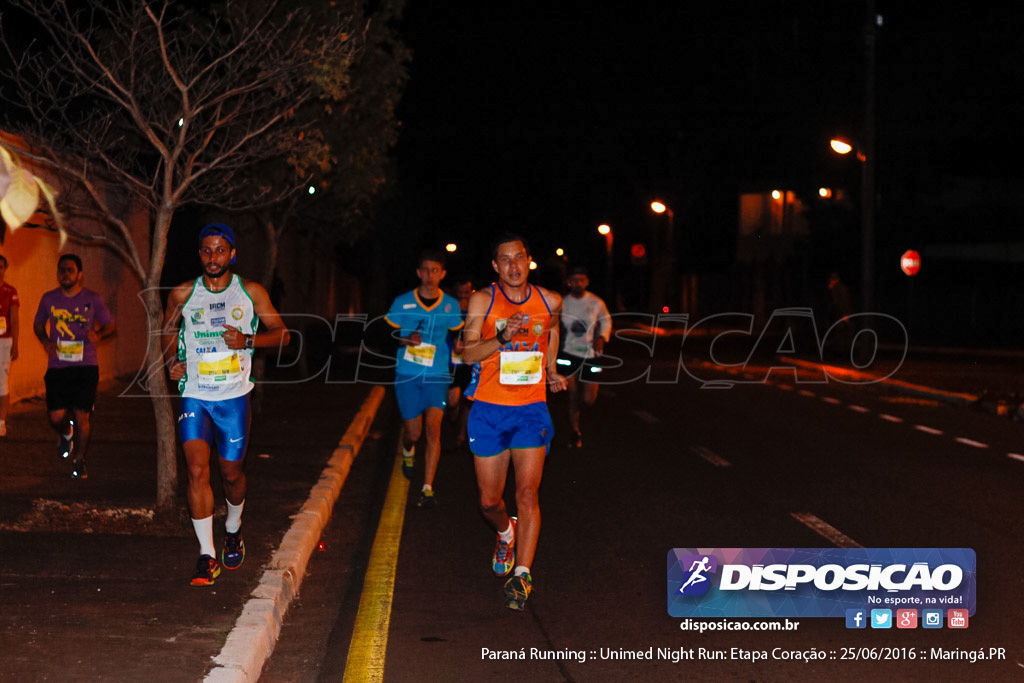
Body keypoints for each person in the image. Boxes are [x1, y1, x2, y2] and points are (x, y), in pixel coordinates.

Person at [163, 224, 290, 587]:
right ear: (199, 253)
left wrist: (247, 339)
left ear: (232, 254)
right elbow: (168, 331)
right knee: (197, 472)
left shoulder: (249, 292)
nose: (213, 257)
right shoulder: (183, 294)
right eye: (206, 250)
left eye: (220, 251)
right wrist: (172, 361)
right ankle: (207, 556)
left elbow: (283, 334)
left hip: (233, 398)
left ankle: (233, 528)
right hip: (196, 395)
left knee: (230, 474)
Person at [462, 233, 567, 611]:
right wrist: (502, 336)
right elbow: (467, 352)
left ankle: (522, 575)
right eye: (505, 260)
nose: (513, 266)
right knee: (490, 501)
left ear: (529, 260)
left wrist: (551, 369)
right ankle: (506, 532)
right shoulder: (482, 300)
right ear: (495, 266)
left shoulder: (549, 300)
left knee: (527, 494)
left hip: (530, 409)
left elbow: (551, 332)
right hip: (489, 409)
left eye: (519, 258)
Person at [384, 250, 464, 508]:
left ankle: (427, 487)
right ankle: (408, 449)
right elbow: (386, 336)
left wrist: (461, 349)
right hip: (407, 374)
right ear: (419, 273)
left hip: (437, 375)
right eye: (425, 270)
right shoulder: (402, 302)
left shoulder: (450, 305)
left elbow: (457, 338)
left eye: (435, 270)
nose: (430, 275)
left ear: (443, 274)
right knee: (414, 433)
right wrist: (405, 339)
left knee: (433, 430)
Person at [32, 254, 115, 479]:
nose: (65, 274)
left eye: (70, 270)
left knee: (82, 417)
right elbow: (38, 324)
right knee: (55, 417)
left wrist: (97, 334)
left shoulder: (93, 299)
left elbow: (110, 325)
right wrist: (46, 341)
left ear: (80, 274)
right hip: (58, 366)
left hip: (85, 365)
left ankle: (79, 459)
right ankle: (65, 432)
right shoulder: (49, 299)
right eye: (62, 270)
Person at [557, 266, 611, 448]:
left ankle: (578, 408)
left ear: (587, 282)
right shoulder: (562, 302)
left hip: (590, 355)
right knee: (571, 394)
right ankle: (575, 430)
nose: (578, 283)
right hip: (567, 354)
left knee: (588, 399)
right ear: (569, 282)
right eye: (574, 280)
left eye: (582, 280)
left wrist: (602, 337)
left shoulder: (596, 302)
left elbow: (606, 320)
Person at [445, 275, 475, 448]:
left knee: (468, 399)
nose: (464, 295)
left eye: (467, 292)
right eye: (460, 292)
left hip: (471, 361)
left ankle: (461, 435)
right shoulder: (450, 308)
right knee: (453, 401)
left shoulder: (476, 307)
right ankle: (452, 417)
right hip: (453, 361)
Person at [0, 255, 20, 437]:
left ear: (5, 268)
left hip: (4, 341)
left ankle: (2, 422)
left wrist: (15, 343)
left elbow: (14, 319)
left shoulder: (10, 291)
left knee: (2, 382)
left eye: (1, 267)